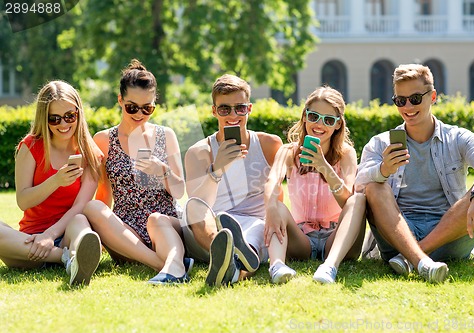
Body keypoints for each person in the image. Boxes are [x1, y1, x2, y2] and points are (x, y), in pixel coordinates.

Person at [356, 64, 474, 283]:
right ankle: (420, 260)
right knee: (374, 186)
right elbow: (357, 186)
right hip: (399, 234)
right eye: (400, 100)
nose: (407, 107)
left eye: (415, 98)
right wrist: (383, 170)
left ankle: (412, 258)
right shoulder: (381, 143)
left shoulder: (457, 137)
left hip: (448, 236)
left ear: (432, 97)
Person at [83, 59, 191, 284]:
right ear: (120, 100)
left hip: (163, 224)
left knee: (155, 219)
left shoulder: (165, 135)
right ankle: (169, 264)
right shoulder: (103, 139)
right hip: (126, 233)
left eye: (147, 108)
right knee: (92, 207)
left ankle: (172, 263)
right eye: (132, 107)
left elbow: (180, 191)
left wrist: (162, 171)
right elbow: (103, 195)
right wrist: (104, 232)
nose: (139, 114)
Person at [183, 74, 282, 287]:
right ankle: (225, 253)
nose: (233, 115)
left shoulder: (270, 144)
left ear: (249, 108)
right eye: (224, 109)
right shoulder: (199, 152)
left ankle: (231, 267)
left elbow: (277, 196)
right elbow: (198, 205)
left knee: (255, 233)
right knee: (192, 208)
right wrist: (217, 169)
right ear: (214, 111)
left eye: (240, 108)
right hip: (211, 226)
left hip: (253, 222)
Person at [0, 80, 102, 286]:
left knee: (81, 222)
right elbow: (23, 201)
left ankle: (77, 257)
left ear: (78, 113)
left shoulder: (91, 153)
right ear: (44, 119)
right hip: (29, 242)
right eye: (54, 119)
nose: (63, 124)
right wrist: (55, 181)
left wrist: (51, 234)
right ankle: (66, 258)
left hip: (66, 233)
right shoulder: (30, 147)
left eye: (69, 116)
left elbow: (81, 205)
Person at [264, 86, 366, 284]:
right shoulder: (288, 152)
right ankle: (276, 266)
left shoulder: (346, 154)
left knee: (359, 199)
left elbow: (348, 201)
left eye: (328, 120)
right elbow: (271, 181)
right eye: (314, 116)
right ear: (304, 117)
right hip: (301, 239)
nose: (319, 124)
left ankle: (329, 267)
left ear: (338, 125)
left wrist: (324, 167)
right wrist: (270, 207)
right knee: (275, 203)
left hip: (336, 238)